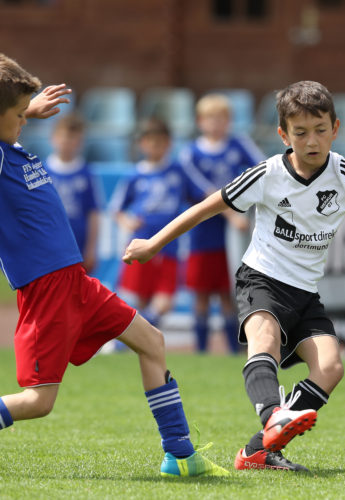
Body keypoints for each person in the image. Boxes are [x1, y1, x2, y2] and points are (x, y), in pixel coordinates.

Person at [123, 80, 345, 472]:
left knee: (331, 367)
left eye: (320, 130)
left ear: (336, 129)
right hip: (260, 279)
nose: (312, 141)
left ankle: (258, 451)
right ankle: (273, 415)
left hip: (305, 293)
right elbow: (205, 208)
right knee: (265, 339)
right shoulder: (266, 174)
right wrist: (153, 243)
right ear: (284, 135)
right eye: (300, 132)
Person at [0, 53, 227, 478]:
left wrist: (21, 109)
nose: (25, 122)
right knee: (38, 403)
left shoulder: (11, 147)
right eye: (17, 115)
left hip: (77, 283)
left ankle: (179, 456)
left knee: (153, 342)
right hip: (47, 290)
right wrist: (20, 109)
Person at [177, 93, 265, 353]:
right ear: (200, 121)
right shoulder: (190, 153)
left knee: (230, 293)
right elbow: (205, 194)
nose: (217, 123)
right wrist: (232, 215)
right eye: (211, 118)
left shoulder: (239, 145)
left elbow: (263, 170)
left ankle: (233, 351)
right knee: (202, 295)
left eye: (223, 118)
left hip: (234, 236)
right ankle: (201, 351)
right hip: (203, 234)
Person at [112, 118, 188, 328]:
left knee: (165, 300)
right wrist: (127, 221)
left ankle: (128, 339)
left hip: (168, 245)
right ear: (142, 144)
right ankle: (143, 344)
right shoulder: (135, 175)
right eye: (151, 142)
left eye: (160, 142)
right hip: (140, 243)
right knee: (142, 298)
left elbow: (198, 197)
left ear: (169, 143)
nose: (156, 147)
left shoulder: (178, 172)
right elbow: (116, 209)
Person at [45, 112, 99, 274]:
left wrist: (91, 249)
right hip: (49, 246)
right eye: (64, 136)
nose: (67, 142)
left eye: (73, 138)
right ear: (53, 138)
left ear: (81, 142)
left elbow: (93, 214)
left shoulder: (85, 173)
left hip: (77, 246)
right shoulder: (42, 171)